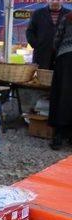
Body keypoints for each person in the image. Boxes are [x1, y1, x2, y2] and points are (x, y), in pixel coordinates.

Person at [26, 0, 70, 69]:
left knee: (61, 79)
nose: (55, 1)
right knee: (41, 79)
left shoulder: (69, 15)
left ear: (63, 0)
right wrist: (37, 45)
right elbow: (30, 31)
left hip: (62, 54)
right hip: (42, 54)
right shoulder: (38, 14)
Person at [48, 12, 72, 150]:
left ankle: (58, 137)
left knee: (61, 95)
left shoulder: (68, 17)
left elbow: (56, 40)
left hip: (66, 58)